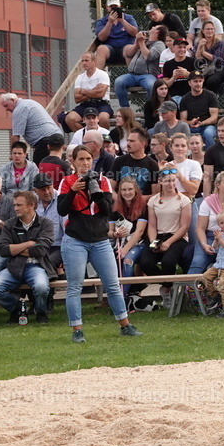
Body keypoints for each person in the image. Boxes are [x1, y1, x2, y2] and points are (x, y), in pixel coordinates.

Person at [58, 146, 142, 343]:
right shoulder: (67, 181)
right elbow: (62, 210)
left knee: (112, 285)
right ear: (73, 162)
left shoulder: (103, 181)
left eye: (88, 159)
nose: (85, 163)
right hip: (75, 240)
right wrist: (73, 191)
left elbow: (106, 211)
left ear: (93, 160)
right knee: (74, 287)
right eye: (81, 159)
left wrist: (95, 190)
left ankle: (125, 325)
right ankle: (77, 330)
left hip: (100, 241)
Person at [0, 189, 53, 324]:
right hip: (14, 267)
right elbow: (3, 250)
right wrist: (28, 244)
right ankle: (17, 308)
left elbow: (40, 250)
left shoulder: (46, 223)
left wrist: (15, 249)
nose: (15, 208)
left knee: (41, 287)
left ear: (32, 205)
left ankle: (41, 311)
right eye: (14, 205)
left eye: (19, 205)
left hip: (36, 266)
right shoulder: (9, 224)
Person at [137, 168, 191, 289]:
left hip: (176, 237)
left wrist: (168, 242)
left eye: (173, 180)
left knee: (168, 262)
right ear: (160, 181)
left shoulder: (184, 200)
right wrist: (153, 242)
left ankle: (168, 288)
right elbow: (152, 225)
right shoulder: (153, 200)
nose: (170, 184)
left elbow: (184, 226)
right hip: (158, 235)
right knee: (145, 263)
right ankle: (168, 285)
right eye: (167, 181)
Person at [0, 93, 63, 164]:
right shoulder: (30, 102)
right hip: (58, 137)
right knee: (55, 165)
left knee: (39, 167)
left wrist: (13, 153)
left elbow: (15, 136)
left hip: (44, 140)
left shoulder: (19, 109)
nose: (6, 109)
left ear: (12, 100)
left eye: (6, 105)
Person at [114, 26, 167, 109]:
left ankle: (149, 109)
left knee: (151, 86)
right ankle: (125, 109)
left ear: (157, 31)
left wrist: (142, 43)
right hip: (132, 75)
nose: (152, 27)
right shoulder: (145, 41)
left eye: (155, 27)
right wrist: (137, 44)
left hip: (148, 75)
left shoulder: (160, 44)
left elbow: (149, 57)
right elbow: (129, 54)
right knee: (118, 82)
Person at [93, 0, 139, 69]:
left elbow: (134, 33)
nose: (114, 8)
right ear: (107, 7)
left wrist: (123, 21)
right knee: (101, 49)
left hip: (126, 49)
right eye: (111, 6)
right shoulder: (102, 21)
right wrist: (109, 23)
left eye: (116, 6)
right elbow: (101, 38)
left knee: (129, 48)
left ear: (120, 6)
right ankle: (97, 75)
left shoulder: (129, 18)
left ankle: (133, 74)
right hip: (109, 50)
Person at [179, 70, 220, 148]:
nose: (198, 84)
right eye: (195, 81)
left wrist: (202, 123)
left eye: (200, 81)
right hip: (191, 127)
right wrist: (191, 122)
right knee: (181, 135)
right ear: (189, 83)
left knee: (208, 133)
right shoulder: (185, 99)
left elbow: (214, 117)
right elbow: (183, 119)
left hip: (208, 126)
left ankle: (210, 154)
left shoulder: (210, 95)